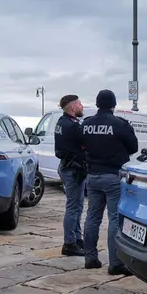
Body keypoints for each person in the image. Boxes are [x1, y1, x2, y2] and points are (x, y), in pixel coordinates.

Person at [81, 89, 139, 275]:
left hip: (93, 175)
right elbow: (133, 147)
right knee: (114, 218)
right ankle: (115, 262)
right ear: (113, 104)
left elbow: (81, 144)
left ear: (97, 104)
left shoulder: (86, 124)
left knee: (92, 217)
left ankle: (90, 257)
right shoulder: (120, 124)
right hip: (113, 176)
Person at [54, 94, 88, 257]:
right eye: (80, 104)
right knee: (74, 207)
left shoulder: (61, 122)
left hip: (67, 167)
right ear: (73, 107)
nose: (82, 107)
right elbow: (85, 143)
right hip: (73, 169)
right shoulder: (74, 126)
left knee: (77, 205)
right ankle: (69, 243)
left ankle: (77, 238)